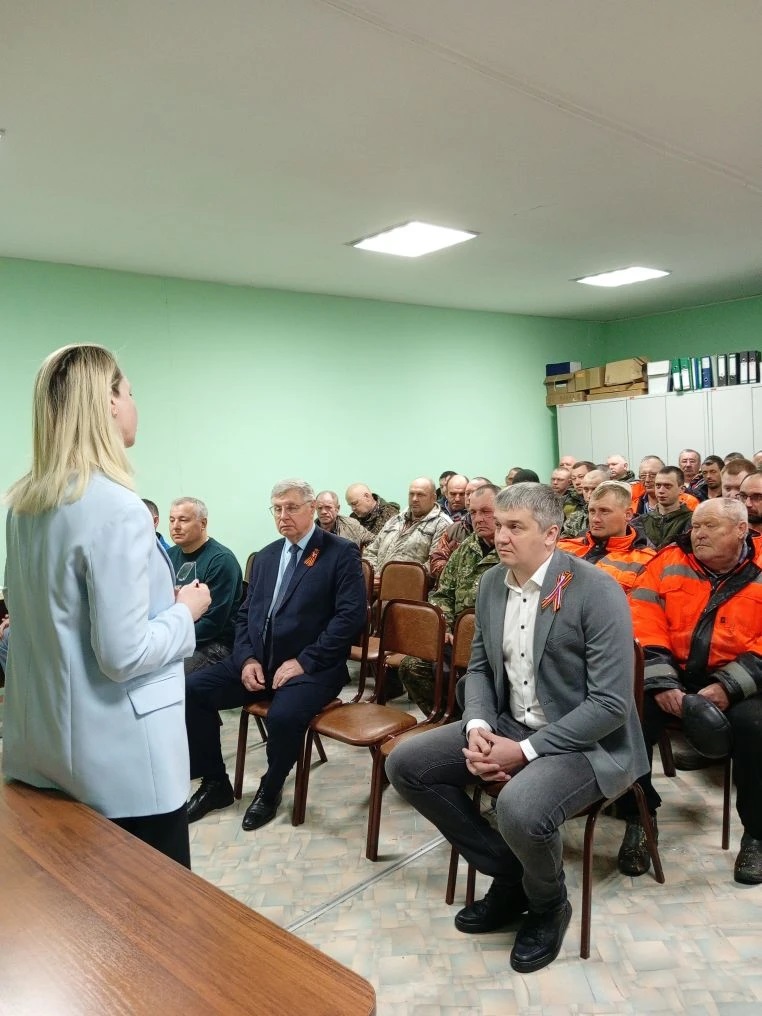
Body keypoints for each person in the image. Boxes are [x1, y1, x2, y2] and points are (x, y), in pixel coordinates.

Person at [387, 483, 647, 973]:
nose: (500, 536)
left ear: (550, 534)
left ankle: (549, 904)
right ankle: (512, 873)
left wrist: (523, 751)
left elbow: (610, 704)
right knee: (406, 764)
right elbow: (481, 668)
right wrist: (478, 725)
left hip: (586, 741)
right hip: (510, 721)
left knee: (519, 807)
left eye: (514, 527)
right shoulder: (492, 583)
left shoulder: (596, 590)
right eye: (498, 524)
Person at [3, 344, 210, 867]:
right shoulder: (117, 507)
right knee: (153, 907)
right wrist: (185, 611)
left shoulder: (26, 505)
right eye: (130, 392)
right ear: (110, 404)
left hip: (48, 747)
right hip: (125, 766)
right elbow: (123, 654)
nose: (134, 404)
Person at [184, 479, 366, 831]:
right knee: (191, 690)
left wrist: (304, 661)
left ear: (311, 509)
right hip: (259, 663)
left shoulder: (339, 552)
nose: (283, 516)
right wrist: (246, 659)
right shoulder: (266, 557)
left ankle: (271, 787)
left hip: (313, 667)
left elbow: (350, 618)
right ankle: (215, 782)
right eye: (277, 509)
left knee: (283, 716)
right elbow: (244, 615)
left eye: (292, 507)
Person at [619, 499, 762, 885]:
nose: (698, 533)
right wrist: (663, 682)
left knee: (756, 728)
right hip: (672, 674)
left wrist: (729, 686)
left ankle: (757, 834)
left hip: (744, 683)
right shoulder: (668, 560)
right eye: (696, 526)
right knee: (626, 718)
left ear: (741, 530)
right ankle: (639, 817)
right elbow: (641, 618)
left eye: (710, 526)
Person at [400, 483, 500, 715]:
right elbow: (442, 593)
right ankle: (450, 719)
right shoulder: (466, 548)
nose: (478, 518)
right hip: (455, 638)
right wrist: (444, 624)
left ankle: (481, 721)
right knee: (411, 667)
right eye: (473, 512)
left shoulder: (512, 550)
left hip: (493, 645)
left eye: (486, 512)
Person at [167, 497, 243, 674]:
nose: (175, 526)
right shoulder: (168, 556)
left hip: (214, 644)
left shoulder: (221, 560)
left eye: (183, 520)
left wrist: (170, 642)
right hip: (177, 637)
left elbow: (212, 624)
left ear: (203, 523)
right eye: (171, 520)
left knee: (168, 678)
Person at [557, 481, 655, 592]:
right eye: (592, 511)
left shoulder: (646, 561)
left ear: (628, 515)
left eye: (604, 511)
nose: (595, 519)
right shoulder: (562, 547)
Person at [363, 477, 451, 575]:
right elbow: (371, 552)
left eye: (420, 495)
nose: (414, 499)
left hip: (410, 582)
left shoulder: (442, 524)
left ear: (434, 498)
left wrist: (393, 578)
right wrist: (374, 575)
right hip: (378, 581)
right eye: (411, 494)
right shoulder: (395, 520)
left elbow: (434, 564)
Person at [639, 467, 693, 548]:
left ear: (681, 489)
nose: (661, 491)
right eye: (658, 485)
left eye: (667, 486)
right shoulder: (640, 522)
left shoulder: (693, 522)